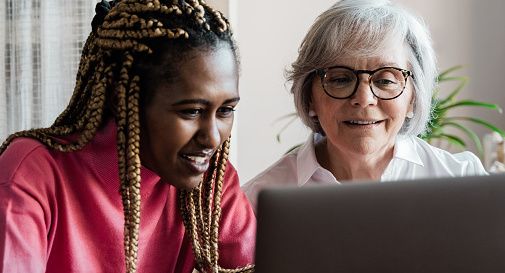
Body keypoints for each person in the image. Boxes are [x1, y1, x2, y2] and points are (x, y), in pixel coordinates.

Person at [0, 0, 255, 272]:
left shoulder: (210, 181)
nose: (212, 138)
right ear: (119, 99)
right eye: (191, 111)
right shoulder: (31, 174)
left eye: (226, 110)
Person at [242, 0, 487, 212]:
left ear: (413, 98)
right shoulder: (255, 204)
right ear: (309, 98)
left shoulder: (465, 181)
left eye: (385, 80)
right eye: (340, 79)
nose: (364, 98)